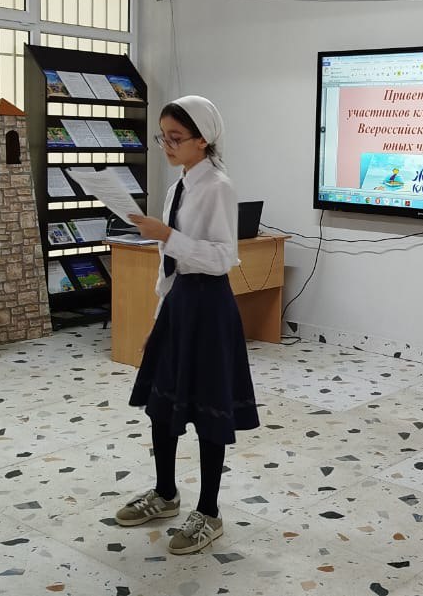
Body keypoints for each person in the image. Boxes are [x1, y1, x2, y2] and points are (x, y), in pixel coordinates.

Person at [114, 95, 260, 555]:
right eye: (163, 137)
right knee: (162, 405)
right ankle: (165, 494)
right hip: (179, 304)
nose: (167, 146)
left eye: (176, 138)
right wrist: (158, 317)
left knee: (209, 409)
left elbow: (222, 258)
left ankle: (209, 512)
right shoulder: (177, 186)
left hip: (209, 306)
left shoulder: (217, 186)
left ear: (203, 139)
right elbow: (169, 263)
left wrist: (168, 235)